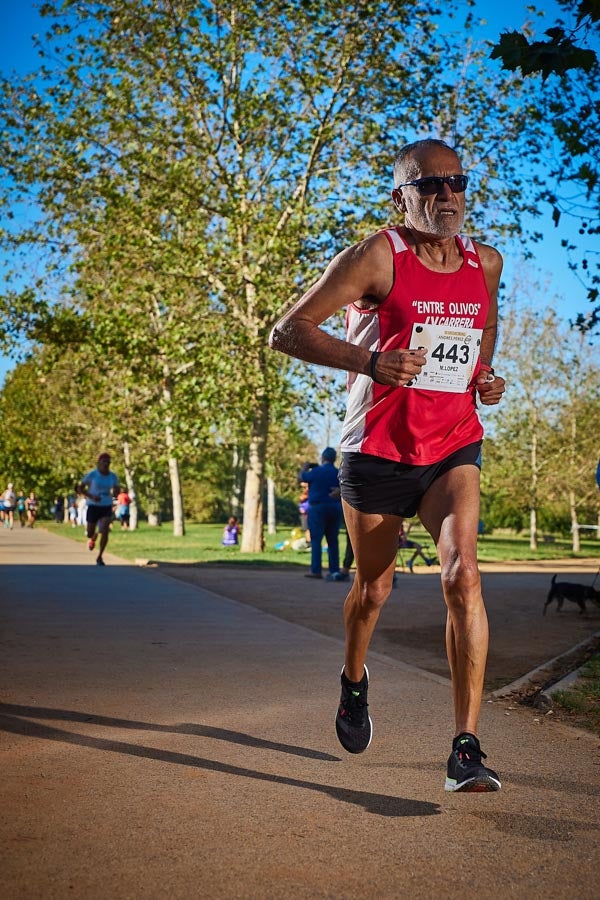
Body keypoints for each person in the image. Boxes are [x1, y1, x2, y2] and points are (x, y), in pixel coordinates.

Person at [269, 138, 506, 793]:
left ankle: (465, 748)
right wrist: (371, 362)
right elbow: (287, 330)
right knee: (373, 590)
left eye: (456, 182)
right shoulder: (376, 256)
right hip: (376, 448)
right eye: (430, 185)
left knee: (463, 575)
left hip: (452, 444)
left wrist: (483, 374)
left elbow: (484, 327)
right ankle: (354, 680)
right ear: (401, 197)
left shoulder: (485, 262)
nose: (447, 195)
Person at [299, 448, 343, 580]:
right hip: (335, 507)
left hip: (317, 507)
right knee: (333, 540)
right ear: (334, 459)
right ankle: (334, 570)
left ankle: (316, 570)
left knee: (316, 539)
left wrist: (304, 468)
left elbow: (301, 478)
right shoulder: (338, 473)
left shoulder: (316, 471)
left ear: (323, 458)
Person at [77, 452, 120, 566]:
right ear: (99, 463)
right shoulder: (92, 475)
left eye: (108, 462)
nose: (106, 464)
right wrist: (91, 496)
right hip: (93, 505)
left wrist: (116, 492)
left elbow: (116, 489)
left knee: (105, 530)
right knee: (89, 532)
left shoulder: (113, 476)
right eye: (104, 462)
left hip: (106, 505)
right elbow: (80, 488)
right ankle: (92, 538)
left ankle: (100, 556)